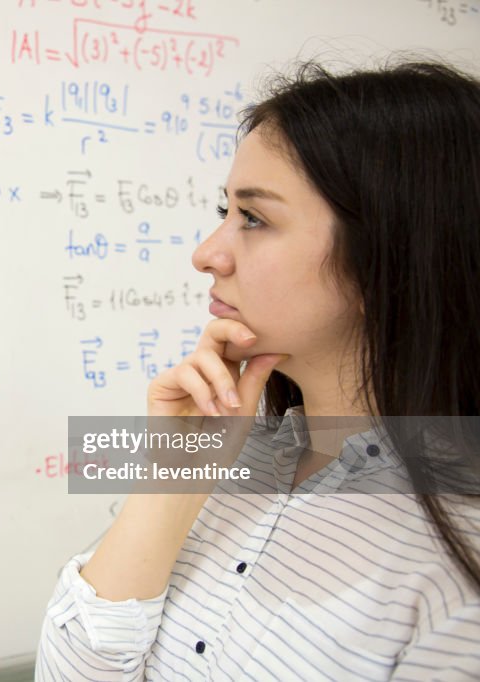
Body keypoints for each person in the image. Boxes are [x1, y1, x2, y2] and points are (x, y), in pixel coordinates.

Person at [37, 60, 480, 680]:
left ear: (388, 253)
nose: (206, 254)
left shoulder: (455, 566)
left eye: (254, 218)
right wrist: (174, 477)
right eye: (226, 211)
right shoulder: (235, 455)